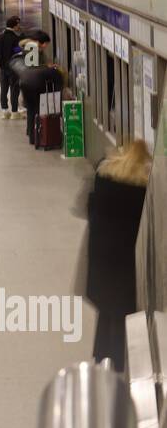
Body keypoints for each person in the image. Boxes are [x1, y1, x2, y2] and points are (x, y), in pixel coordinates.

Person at [83, 140, 151, 373]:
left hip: (102, 266)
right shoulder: (143, 192)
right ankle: (122, 370)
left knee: (107, 317)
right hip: (127, 269)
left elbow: (89, 209)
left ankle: (103, 362)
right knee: (124, 319)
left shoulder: (104, 179)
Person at [0, 15, 23, 119]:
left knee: (4, 89)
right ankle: (14, 111)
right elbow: (17, 52)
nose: (19, 26)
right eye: (18, 24)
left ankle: (5, 110)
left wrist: (1, 65)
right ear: (15, 25)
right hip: (13, 68)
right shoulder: (15, 39)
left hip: (3, 68)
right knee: (14, 89)